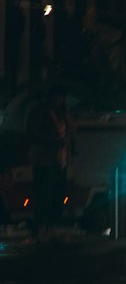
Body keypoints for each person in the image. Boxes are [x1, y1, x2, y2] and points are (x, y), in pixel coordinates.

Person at [26, 90, 70, 238]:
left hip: (60, 159)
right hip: (44, 158)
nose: (60, 101)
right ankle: (42, 224)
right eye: (57, 97)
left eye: (62, 98)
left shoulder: (60, 114)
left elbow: (70, 130)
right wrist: (54, 140)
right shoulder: (39, 112)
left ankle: (52, 224)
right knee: (44, 192)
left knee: (56, 193)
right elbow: (32, 132)